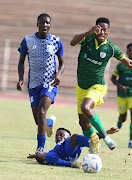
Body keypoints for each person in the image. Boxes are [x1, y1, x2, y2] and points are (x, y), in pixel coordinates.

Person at [70, 17, 132, 151]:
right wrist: (88, 32)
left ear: (108, 32)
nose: (102, 32)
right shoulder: (87, 39)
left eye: (105, 30)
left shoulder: (111, 48)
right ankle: (94, 146)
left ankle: (106, 137)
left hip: (97, 86)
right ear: (95, 29)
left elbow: (129, 63)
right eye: (99, 29)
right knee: (83, 122)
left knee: (86, 107)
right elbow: (73, 42)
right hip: (81, 87)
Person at [17, 13, 65, 152]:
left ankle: (40, 149)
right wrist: (21, 78)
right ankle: (49, 123)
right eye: (42, 22)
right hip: (33, 84)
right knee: (39, 120)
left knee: (42, 111)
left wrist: (59, 74)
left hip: (49, 83)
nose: (45, 25)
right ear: (37, 24)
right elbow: (21, 62)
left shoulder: (56, 41)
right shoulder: (27, 40)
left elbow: (62, 63)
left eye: (47, 23)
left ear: (50, 25)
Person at [27, 126, 119, 168]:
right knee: (39, 154)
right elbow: (43, 155)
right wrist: (37, 156)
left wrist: (106, 132)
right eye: (57, 136)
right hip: (57, 153)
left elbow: (94, 136)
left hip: (69, 148)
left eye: (62, 135)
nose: (59, 137)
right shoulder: (56, 147)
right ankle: (72, 164)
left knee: (76, 137)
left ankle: (91, 145)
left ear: (68, 137)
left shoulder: (72, 140)